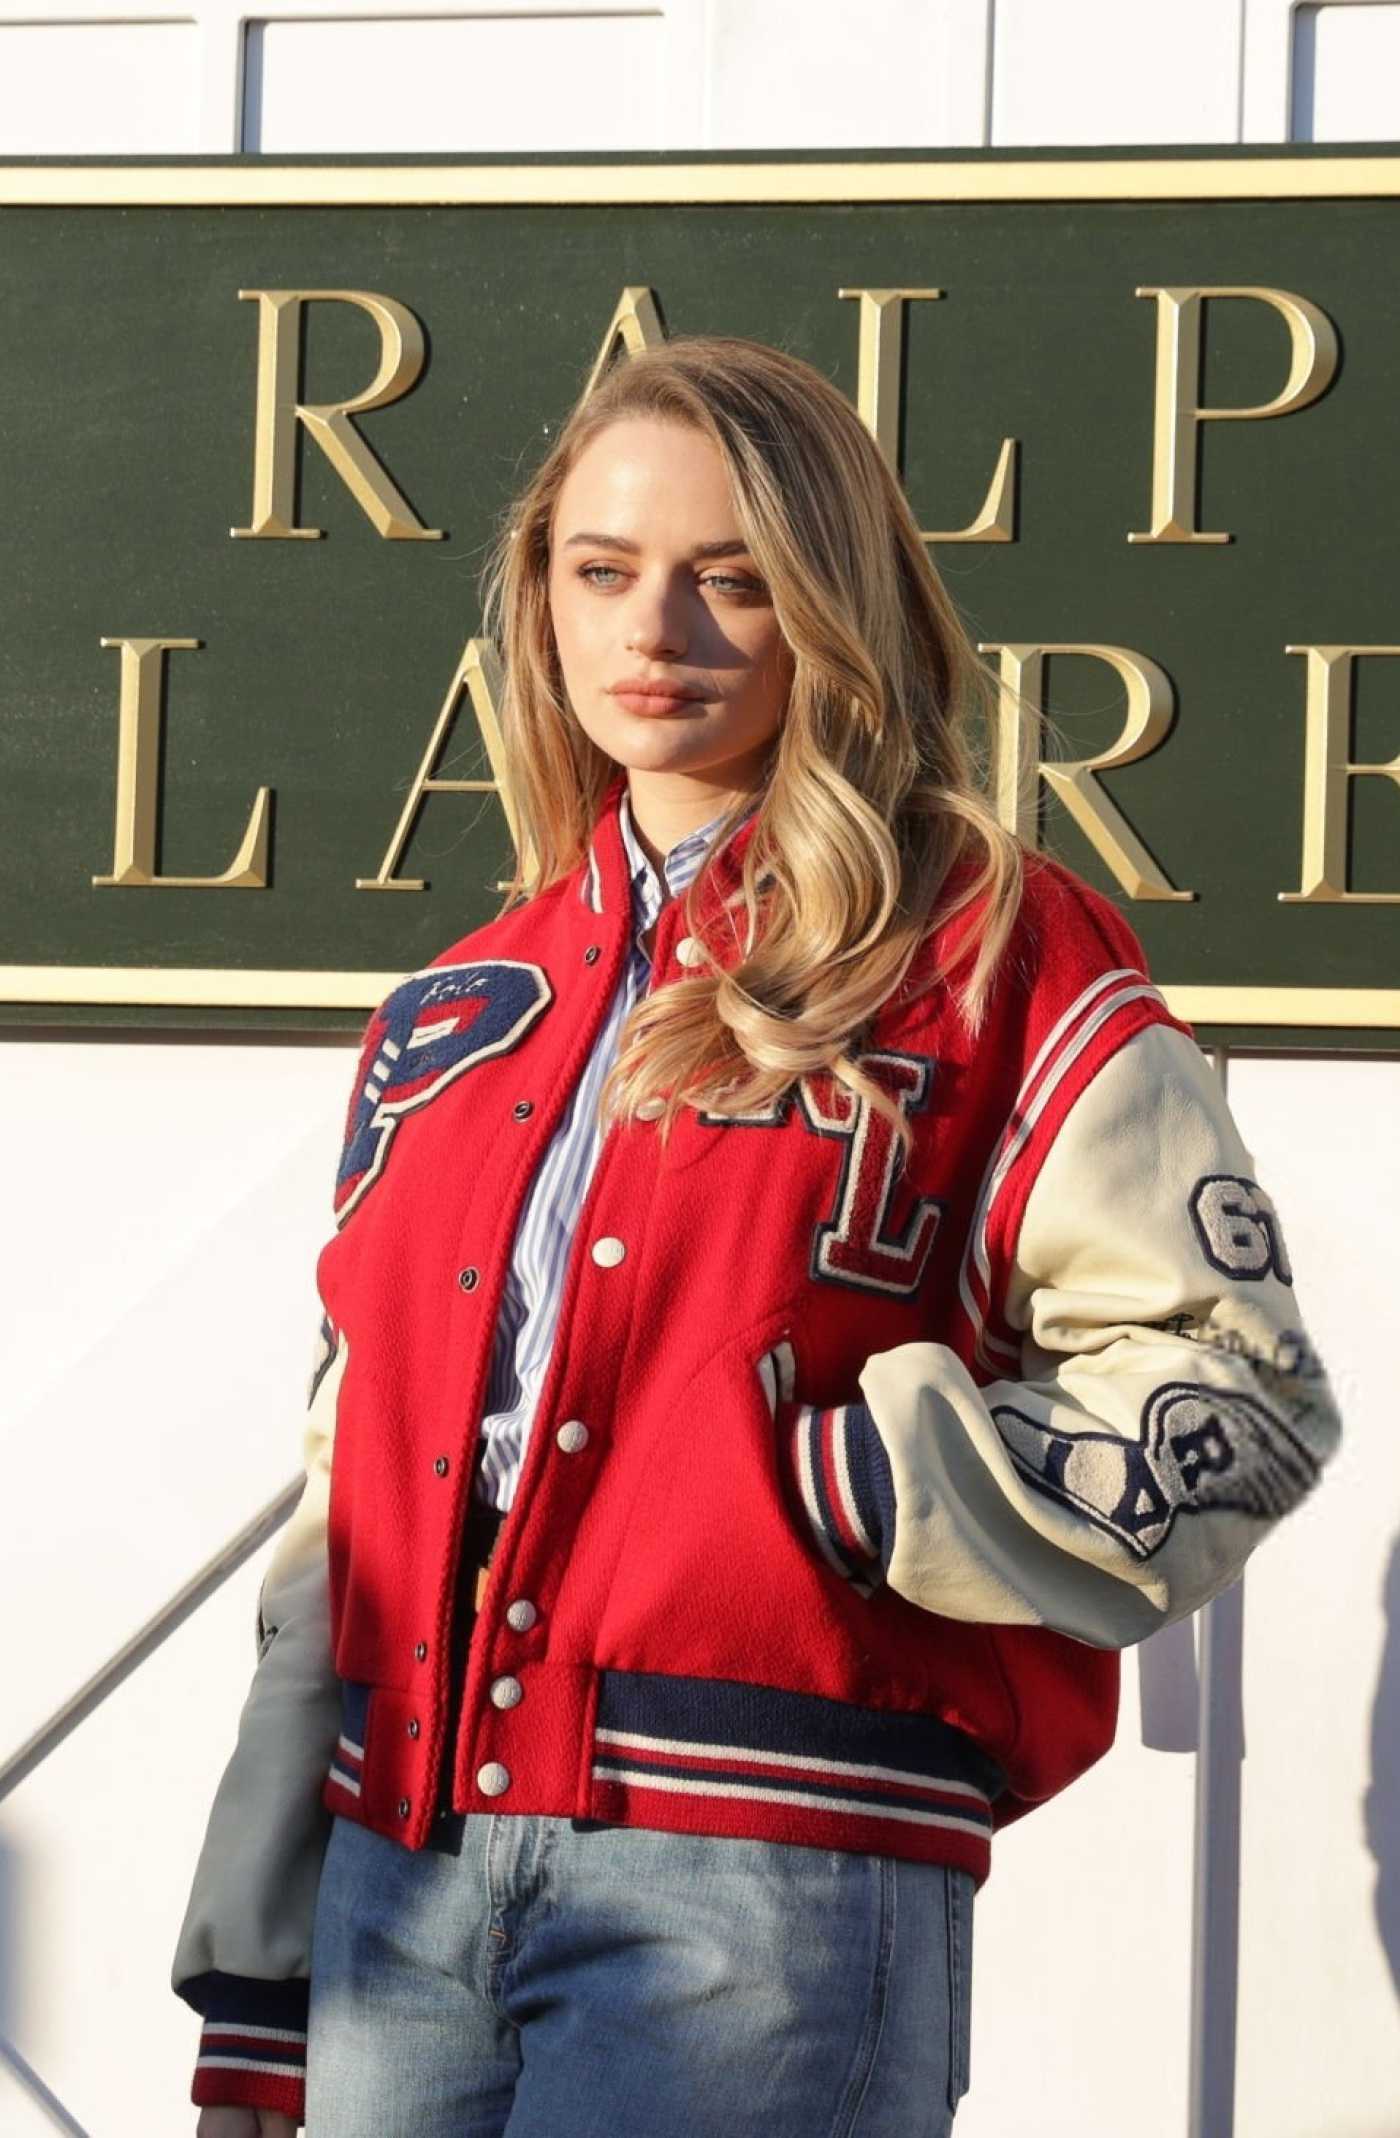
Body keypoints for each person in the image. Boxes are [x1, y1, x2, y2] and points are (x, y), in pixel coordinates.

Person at [171, 335, 1343, 2137]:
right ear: (539, 596)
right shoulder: (455, 1008)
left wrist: (865, 1492)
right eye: (604, 570)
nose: (659, 629)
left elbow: (1238, 1387)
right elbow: (350, 1517)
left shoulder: (993, 952)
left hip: (766, 1890)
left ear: (831, 605)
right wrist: (257, 1976)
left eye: (734, 579)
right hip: (395, 1886)